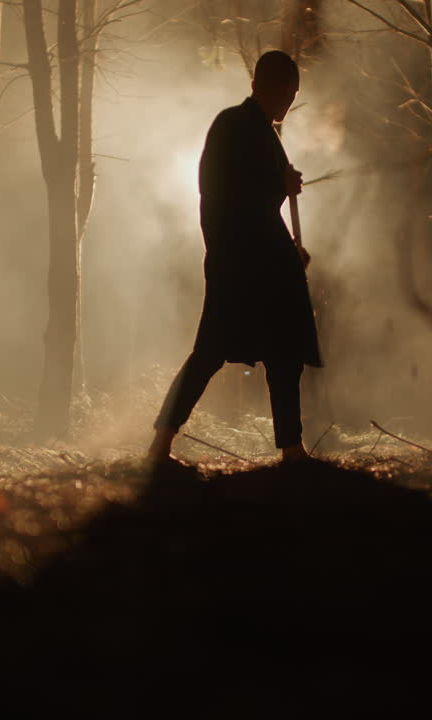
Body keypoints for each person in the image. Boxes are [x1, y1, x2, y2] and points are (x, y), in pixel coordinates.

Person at [147, 50, 322, 465]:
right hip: (239, 262)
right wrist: (279, 183)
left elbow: (261, 200)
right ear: (259, 86)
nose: (287, 100)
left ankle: (292, 448)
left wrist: (288, 241)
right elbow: (227, 194)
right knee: (210, 352)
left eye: (292, 93)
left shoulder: (261, 130)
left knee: (284, 355)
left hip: (265, 262)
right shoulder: (235, 126)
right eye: (282, 90)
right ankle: (162, 439)